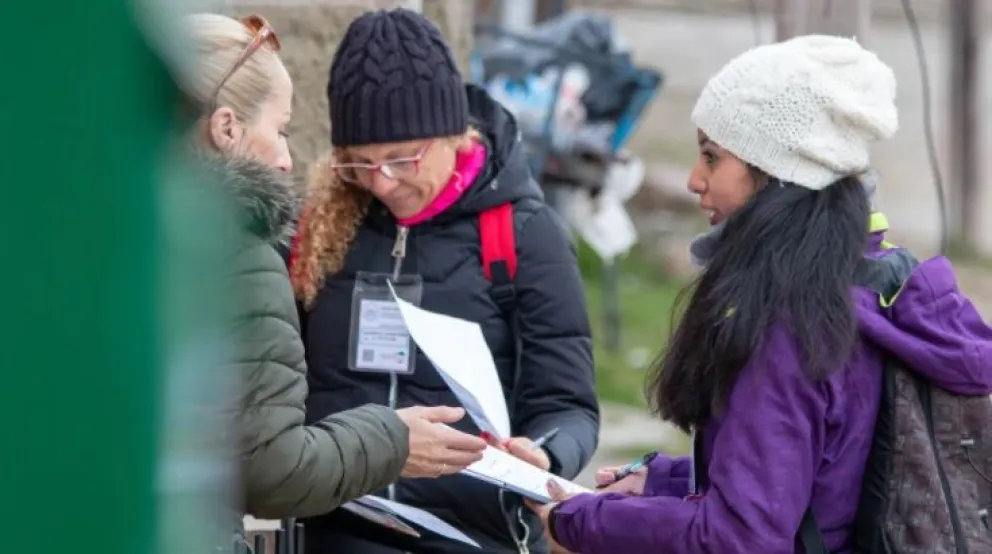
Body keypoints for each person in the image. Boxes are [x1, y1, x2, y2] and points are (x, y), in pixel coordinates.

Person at [527, 35, 992, 553]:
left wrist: (580, 522)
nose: (693, 180)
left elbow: (739, 537)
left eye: (711, 157)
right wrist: (664, 484)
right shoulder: (881, 281)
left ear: (777, 173)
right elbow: (820, 475)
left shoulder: (792, 326)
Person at [288, 8, 600, 553]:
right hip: (333, 533)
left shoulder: (523, 233)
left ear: (453, 133)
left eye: (401, 159)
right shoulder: (322, 224)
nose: (381, 182)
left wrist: (545, 452)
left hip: (470, 538)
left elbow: (568, 403)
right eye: (358, 163)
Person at [174, 12, 487, 542]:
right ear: (227, 127)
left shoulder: (88, 237)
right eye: (281, 129)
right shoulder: (241, 256)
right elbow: (271, 470)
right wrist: (392, 440)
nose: (285, 158)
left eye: (402, 159)